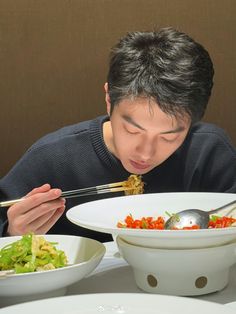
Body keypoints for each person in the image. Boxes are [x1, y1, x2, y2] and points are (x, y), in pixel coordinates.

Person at [0, 27, 235, 241]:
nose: (145, 153)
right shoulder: (54, 158)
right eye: (132, 130)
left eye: (168, 137)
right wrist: (11, 232)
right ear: (109, 98)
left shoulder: (209, 153)